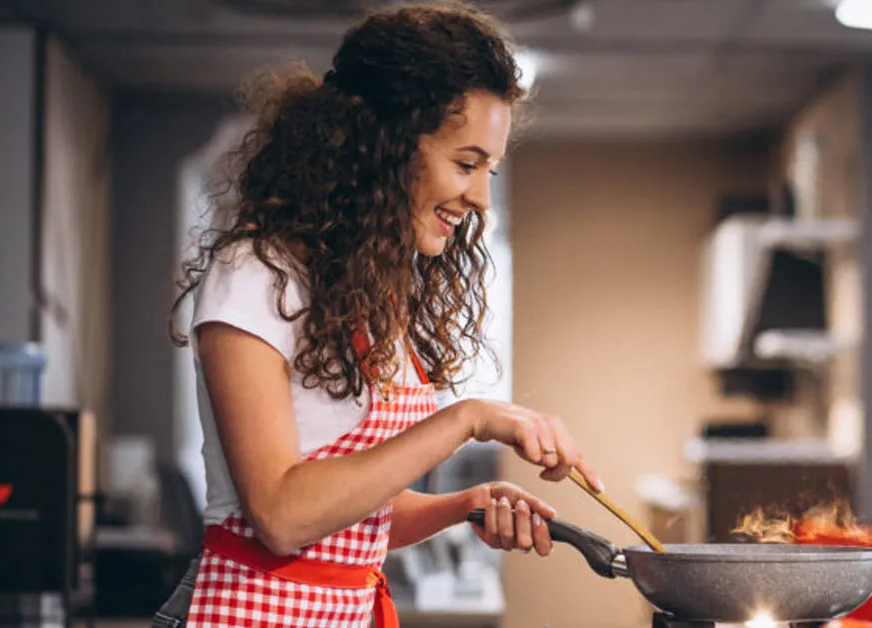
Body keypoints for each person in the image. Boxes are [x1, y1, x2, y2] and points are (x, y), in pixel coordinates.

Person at [151, 3, 603, 627]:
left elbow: (349, 521)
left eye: (489, 170)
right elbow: (282, 517)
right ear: (383, 146)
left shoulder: (368, 292)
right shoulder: (258, 274)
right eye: (466, 164)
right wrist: (468, 418)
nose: (479, 198)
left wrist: (468, 504)